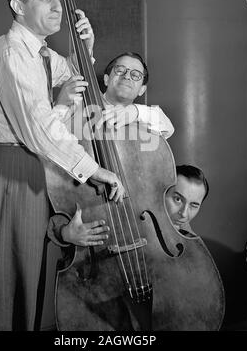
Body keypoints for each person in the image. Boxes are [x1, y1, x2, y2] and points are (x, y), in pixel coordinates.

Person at [0, 0, 125, 331]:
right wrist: (96, 170)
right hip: (10, 166)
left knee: (27, 283)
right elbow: (39, 129)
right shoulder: (13, 54)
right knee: (8, 288)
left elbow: (73, 75)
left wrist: (85, 48)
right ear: (19, 7)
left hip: (28, 165)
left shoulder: (37, 51)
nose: (58, 6)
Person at [48, 52, 174, 245]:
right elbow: (48, 137)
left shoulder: (142, 119)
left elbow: (168, 127)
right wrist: (61, 104)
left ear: (142, 89)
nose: (126, 76)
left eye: (135, 75)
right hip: (88, 215)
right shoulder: (79, 104)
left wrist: (134, 111)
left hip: (136, 223)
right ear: (107, 78)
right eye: (120, 70)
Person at [165, 164, 209, 235]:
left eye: (193, 205)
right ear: (162, 195)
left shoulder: (192, 244)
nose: (183, 214)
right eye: (178, 199)